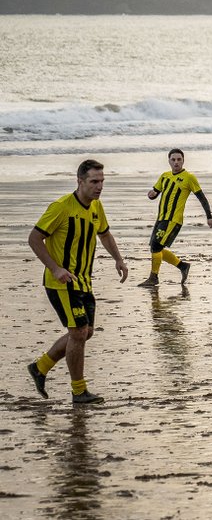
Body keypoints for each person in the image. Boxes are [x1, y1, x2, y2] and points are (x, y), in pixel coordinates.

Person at [27, 159, 129, 405]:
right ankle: (79, 391)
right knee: (78, 332)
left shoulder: (96, 207)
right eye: (94, 181)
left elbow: (104, 233)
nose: (99, 186)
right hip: (62, 282)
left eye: (102, 181)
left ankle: (40, 367)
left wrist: (119, 260)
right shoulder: (61, 207)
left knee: (86, 332)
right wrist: (55, 268)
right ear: (80, 181)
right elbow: (34, 239)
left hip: (84, 281)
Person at [138, 148, 212, 288]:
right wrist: (151, 195)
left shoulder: (189, 178)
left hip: (173, 220)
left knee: (156, 246)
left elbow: (202, 197)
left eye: (179, 159)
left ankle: (153, 278)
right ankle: (183, 266)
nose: (176, 162)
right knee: (156, 248)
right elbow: (155, 192)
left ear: (183, 160)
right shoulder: (164, 176)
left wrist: (209, 216)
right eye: (173, 159)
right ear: (169, 161)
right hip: (161, 218)